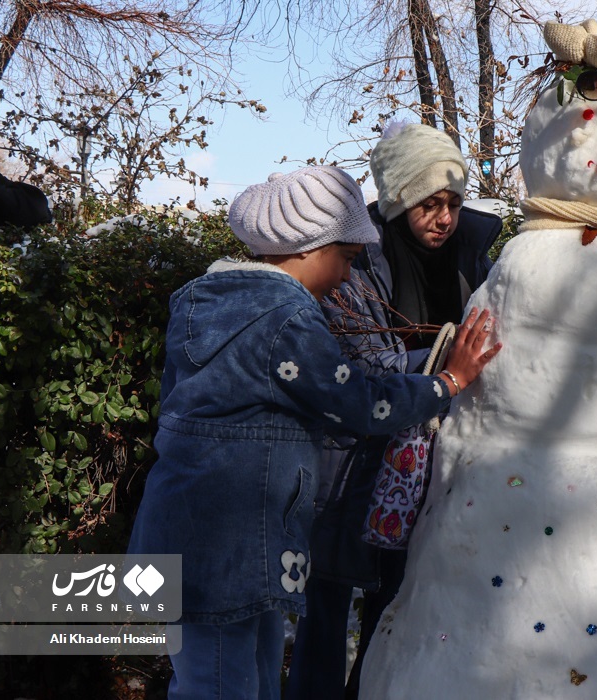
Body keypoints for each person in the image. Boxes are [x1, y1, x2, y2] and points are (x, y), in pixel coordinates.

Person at [125, 165, 501, 700]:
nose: (349, 277)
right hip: (229, 546)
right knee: (220, 685)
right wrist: (446, 381)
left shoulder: (200, 304)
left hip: (192, 533)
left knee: (241, 676)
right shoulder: (284, 319)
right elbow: (357, 403)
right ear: (308, 247)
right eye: (346, 259)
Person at [285, 122, 502, 699]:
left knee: (396, 603)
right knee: (325, 606)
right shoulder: (354, 264)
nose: (444, 218)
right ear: (400, 199)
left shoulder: (472, 262)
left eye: (453, 203)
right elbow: (366, 365)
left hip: (429, 461)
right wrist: (449, 360)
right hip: (349, 462)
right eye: (429, 203)